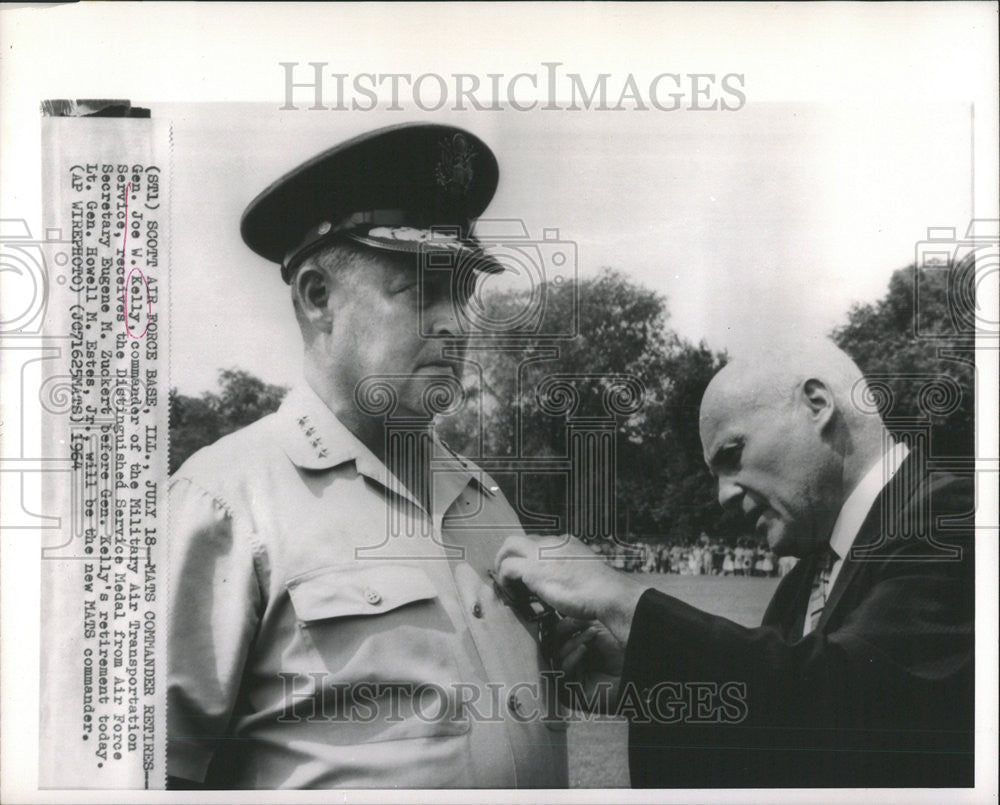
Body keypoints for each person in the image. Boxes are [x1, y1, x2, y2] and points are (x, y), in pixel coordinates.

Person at [168, 123, 568, 789]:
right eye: (419, 290)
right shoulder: (226, 501)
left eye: (461, 294)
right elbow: (148, 775)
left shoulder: (483, 497)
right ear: (317, 298)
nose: (455, 322)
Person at [496, 340, 973, 787]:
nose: (723, 494)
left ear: (817, 405)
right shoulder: (805, 579)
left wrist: (623, 599)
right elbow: (787, 746)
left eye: (732, 455)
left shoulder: (959, 520)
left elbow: (862, 713)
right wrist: (654, 680)